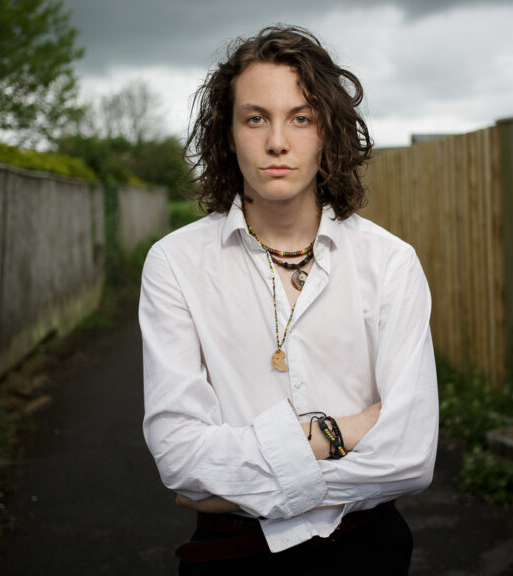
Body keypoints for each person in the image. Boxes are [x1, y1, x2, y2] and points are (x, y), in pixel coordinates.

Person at [139, 25, 438, 575]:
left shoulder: (390, 263)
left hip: (367, 553)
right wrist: (338, 432)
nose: (278, 141)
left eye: (300, 118)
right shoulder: (175, 263)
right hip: (228, 557)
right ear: (228, 135)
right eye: (256, 118)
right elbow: (179, 455)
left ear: (328, 133)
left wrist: (229, 488)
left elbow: (411, 457)